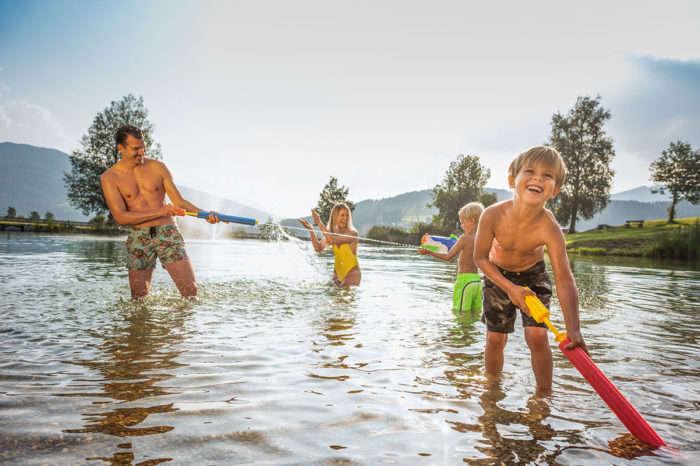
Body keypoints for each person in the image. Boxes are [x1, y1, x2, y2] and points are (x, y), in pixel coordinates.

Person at [473, 145, 587, 390]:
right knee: (495, 339)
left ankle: (543, 397)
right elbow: (481, 259)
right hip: (497, 276)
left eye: (547, 175)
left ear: (555, 190)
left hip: (533, 276)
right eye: (531, 171)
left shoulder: (550, 228)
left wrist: (574, 330)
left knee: (536, 335)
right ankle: (492, 392)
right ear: (513, 179)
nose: (538, 178)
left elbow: (564, 279)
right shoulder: (491, 215)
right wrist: (510, 288)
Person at [101, 124, 222, 298]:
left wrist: (206, 214)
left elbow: (179, 201)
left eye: (143, 147)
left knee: (191, 292)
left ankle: (181, 324)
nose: (142, 152)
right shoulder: (109, 178)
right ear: (121, 148)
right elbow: (121, 218)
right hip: (138, 237)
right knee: (139, 300)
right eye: (136, 149)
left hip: (167, 233)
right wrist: (161, 211)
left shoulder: (158, 167)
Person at [418, 202, 485, 318]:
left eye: (462, 222)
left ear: (472, 221)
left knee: (460, 316)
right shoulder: (482, 238)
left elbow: (447, 257)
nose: (461, 226)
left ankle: (460, 336)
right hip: (477, 282)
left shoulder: (464, 238)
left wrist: (428, 251)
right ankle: (471, 336)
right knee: (474, 315)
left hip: (465, 282)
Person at [298, 203, 361, 286]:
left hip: (352, 274)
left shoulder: (352, 233)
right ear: (335, 217)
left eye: (347, 215)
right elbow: (318, 248)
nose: (345, 218)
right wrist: (311, 230)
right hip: (337, 276)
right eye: (342, 215)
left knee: (342, 296)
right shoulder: (331, 234)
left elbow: (332, 240)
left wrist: (319, 222)